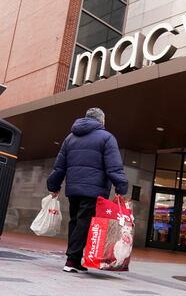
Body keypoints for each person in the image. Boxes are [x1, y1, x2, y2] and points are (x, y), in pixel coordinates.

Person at [47, 108, 128, 273]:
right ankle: (71, 260)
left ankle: (74, 260)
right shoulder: (107, 138)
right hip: (94, 190)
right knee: (84, 223)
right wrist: (121, 187)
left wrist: (54, 186)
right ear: (101, 121)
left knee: (76, 222)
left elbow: (59, 166)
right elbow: (114, 167)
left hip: (74, 189)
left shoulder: (70, 138)